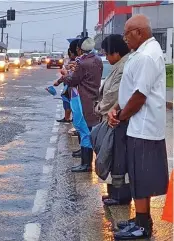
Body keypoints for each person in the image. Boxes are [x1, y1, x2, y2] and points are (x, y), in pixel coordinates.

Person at [108, 14, 169, 239]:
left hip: (144, 126)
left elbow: (140, 95)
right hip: (137, 125)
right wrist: (116, 106)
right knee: (136, 175)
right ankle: (140, 219)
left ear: (139, 32)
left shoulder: (148, 56)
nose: (124, 38)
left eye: (127, 34)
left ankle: (143, 227)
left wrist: (121, 116)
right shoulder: (140, 53)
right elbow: (130, 89)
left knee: (142, 176)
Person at [95, 34, 132, 206]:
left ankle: (120, 196)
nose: (106, 57)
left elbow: (113, 95)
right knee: (111, 156)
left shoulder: (124, 66)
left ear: (116, 52)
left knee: (117, 158)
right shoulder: (118, 65)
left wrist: (100, 107)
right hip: (111, 117)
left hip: (117, 119)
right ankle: (115, 193)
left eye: (107, 53)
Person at [69, 37, 103, 172]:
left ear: (80, 49)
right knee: (87, 130)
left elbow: (73, 80)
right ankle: (86, 161)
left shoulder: (82, 63)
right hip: (93, 99)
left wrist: (66, 74)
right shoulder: (97, 60)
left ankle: (86, 164)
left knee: (84, 131)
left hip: (83, 100)